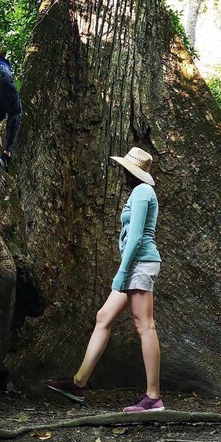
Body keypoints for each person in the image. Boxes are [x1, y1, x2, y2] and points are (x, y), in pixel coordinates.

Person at [46, 147, 164, 412]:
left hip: (140, 264)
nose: (121, 173)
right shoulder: (139, 192)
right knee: (104, 317)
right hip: (134, 264)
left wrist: (122, 271)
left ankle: (154, 398)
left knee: (144, 325)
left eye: (124, 169)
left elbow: (135, 237)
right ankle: (78, 382)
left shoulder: (143, 192)